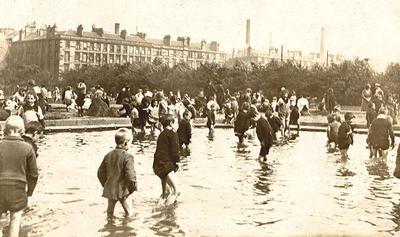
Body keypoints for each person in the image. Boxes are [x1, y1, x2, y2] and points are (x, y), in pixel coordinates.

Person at [0, 116, 38, 237]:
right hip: (18, 189)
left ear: (4, 129)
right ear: (22, 131)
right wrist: (30, 194)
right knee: (15, 219)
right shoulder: (28, 148)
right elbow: (33, 175)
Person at [97, 128, 137, 219]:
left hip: (110, 189)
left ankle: (110, 229)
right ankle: (126, 230)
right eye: (131, 142)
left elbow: (100, 173)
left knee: (109, 213)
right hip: (123, 190)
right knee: (130, 214)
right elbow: (130, 176)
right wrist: (132, 188)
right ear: (126, 143)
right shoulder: (128, 157)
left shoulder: (108, 155)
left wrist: (106, 184)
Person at [153, 114, 181, 205]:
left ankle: (159, 207)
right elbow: (175, 152)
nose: (177, 124)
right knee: (176, 191)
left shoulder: (162, 134)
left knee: (166, 192)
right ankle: (166, 212)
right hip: (166, 165)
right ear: (171, 123)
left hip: (158, 165)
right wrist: (177, 163)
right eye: (176, 122)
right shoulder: (172, 134)